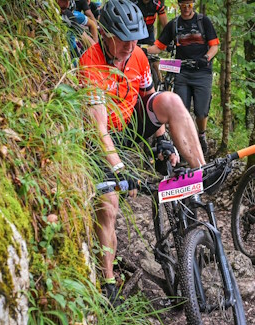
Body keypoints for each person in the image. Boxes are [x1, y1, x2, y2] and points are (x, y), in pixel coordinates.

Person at [78, 0, 205, 305]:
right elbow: (99, 130)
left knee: (172, 100)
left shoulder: (137, 56)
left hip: (130, 122)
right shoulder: (89, 63)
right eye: (124, 39)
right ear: (106, 35)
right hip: (101, 137)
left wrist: (161, 141)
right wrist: (122, 170)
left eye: (136, 39)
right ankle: (108, 283)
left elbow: (150, 99)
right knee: (108, 207)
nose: (131, 45)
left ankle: (202, 171)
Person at [146, 0, 219, 154]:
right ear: (179, 5)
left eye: (189, 5)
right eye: (183, 5)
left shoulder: (203, 21)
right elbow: (158, 47)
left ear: (193, 4)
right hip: (182, 73)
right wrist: (140, 49)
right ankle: (185, 147)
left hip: (202, 72)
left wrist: (205, 58)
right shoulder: (174, 25)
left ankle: (201, 134)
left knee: (201, 111)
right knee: (182, 110)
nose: (186, 9)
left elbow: (215, 46)